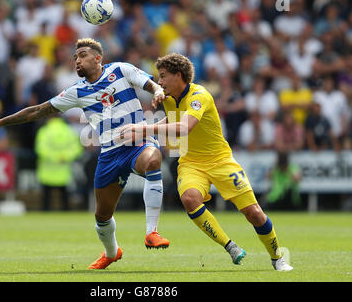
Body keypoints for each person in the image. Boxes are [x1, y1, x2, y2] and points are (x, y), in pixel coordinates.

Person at [0, 38, 170, 269]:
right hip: (110, 153)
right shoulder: (77, 91)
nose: (77, 61)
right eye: (75, 57)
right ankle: (111, 252)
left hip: (139, 141)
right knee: (102, 216)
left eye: (82, 55)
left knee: (153, 159)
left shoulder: (120, 69)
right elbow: (37, 110)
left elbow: (149, 83)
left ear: (98, 58)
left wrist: (158, 90)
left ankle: (152, 232)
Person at [120, 53, 293, 271]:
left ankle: (277, 258)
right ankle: (230, 247)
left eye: (163, 76)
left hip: (221, 160)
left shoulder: (199, 95)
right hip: (191, 162)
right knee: (189, 199)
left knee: (254, 213)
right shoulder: (169, 98)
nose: (159, 82)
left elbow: (184, 127)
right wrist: (147, 132)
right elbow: (173, 121)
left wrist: (143, 128)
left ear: (179, 75)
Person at [35, 115, 83, 211]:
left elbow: (40, 149)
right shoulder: (69, 131)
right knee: (64, 198)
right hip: (64, 171)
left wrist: (54, 157)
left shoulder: (44, 131)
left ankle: (45, 216)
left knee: (46, 199)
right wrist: (64, 157)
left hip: (47, 170)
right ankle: (66, 216)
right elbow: (77, 149)